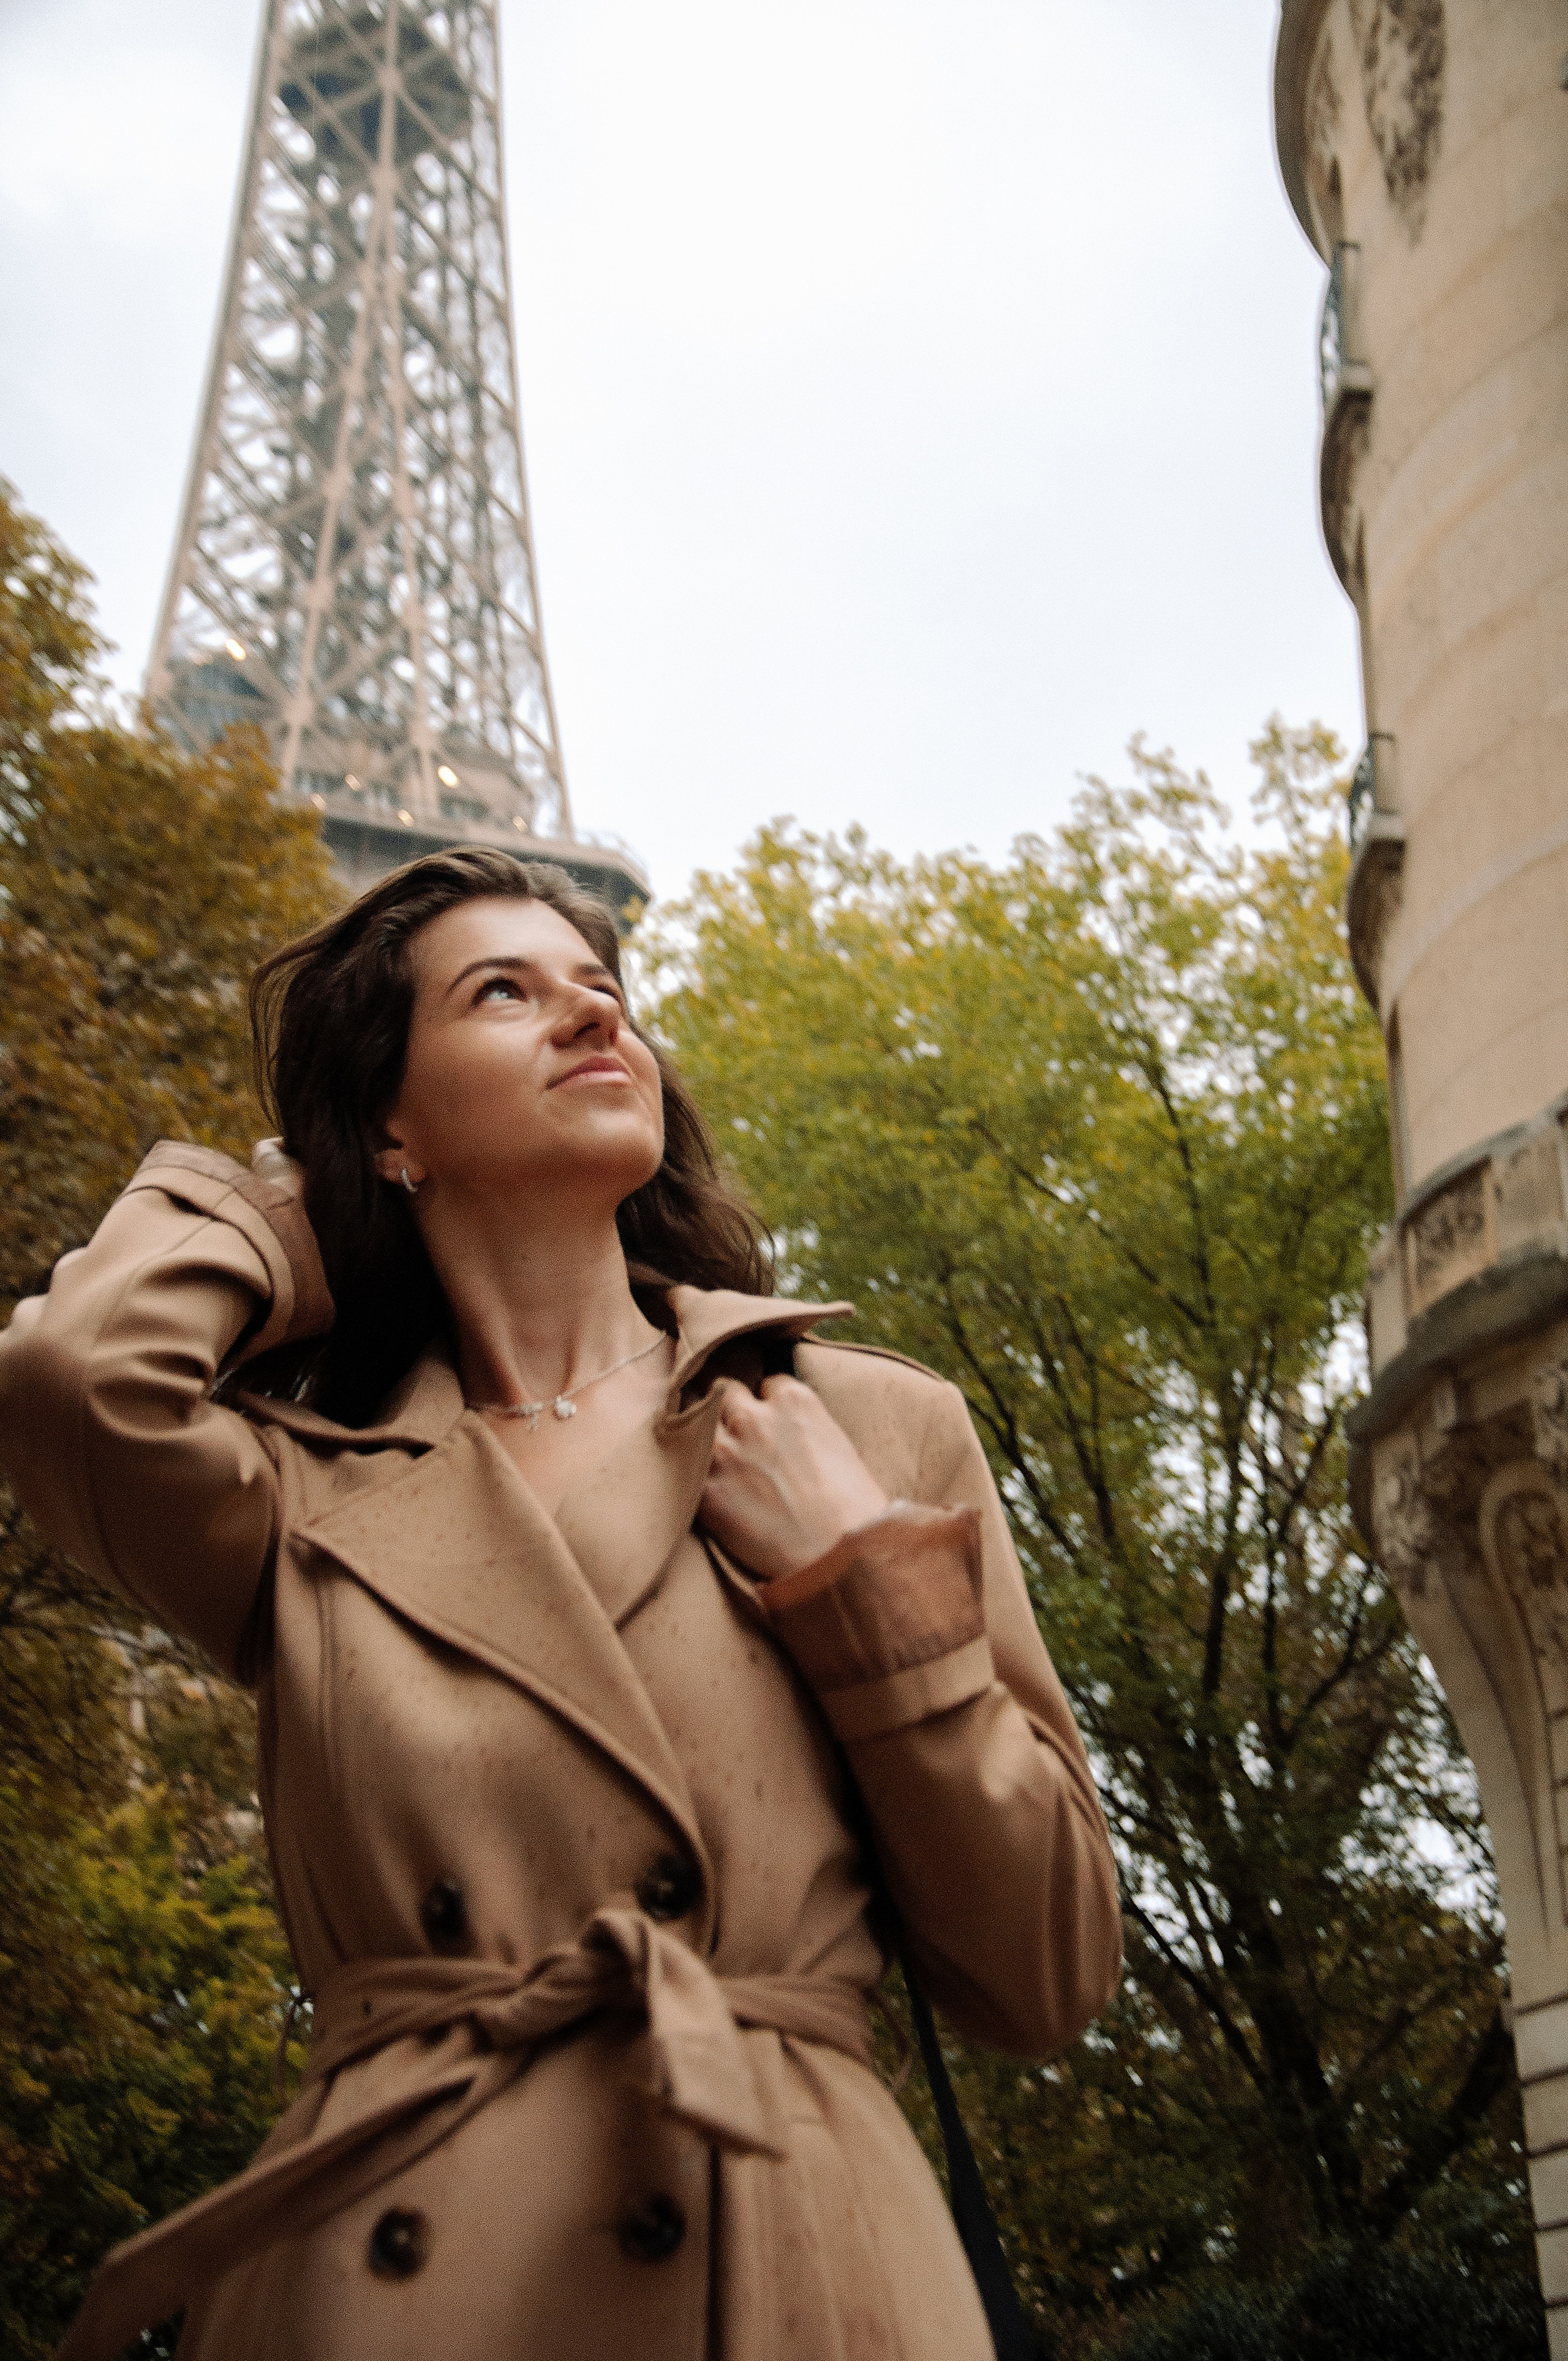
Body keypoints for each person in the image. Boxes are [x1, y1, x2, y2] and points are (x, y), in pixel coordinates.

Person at [0, 848, 1121, 2361]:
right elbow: (77, 1378)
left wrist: (866, 1597)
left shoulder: (856, 1427)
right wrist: (288, 1206)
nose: (593, 1019)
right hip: (394, 2276)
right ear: (394, 1122)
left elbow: (1045, 1971)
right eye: (503, 992)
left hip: (786, 2265)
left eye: (605, 991)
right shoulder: (306, 1499)